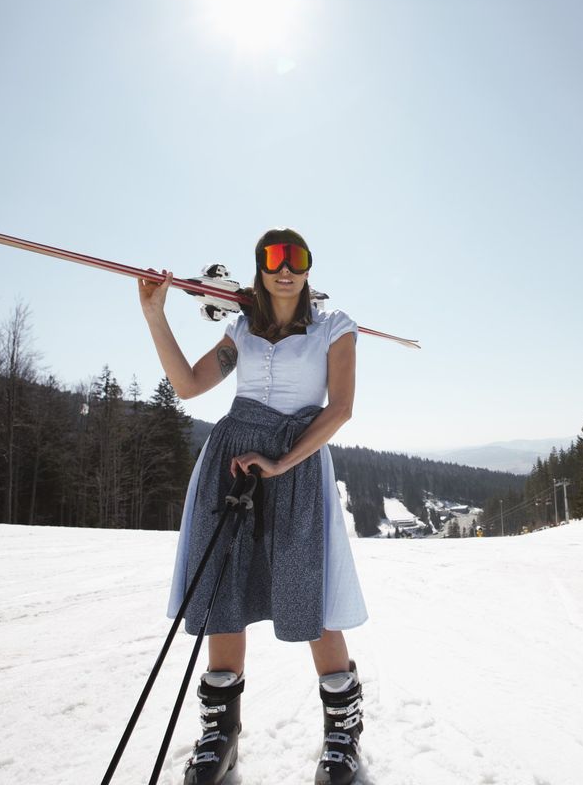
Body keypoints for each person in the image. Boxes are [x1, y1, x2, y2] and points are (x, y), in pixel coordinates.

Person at [138, 228, 368, 785]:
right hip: (233, 460)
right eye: (273, 258)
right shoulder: (241, 331)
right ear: (260, 269)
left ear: (310, 268)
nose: (284, 268)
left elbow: (339, 411)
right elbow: (189, 386)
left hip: (296, 464)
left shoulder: (336, 329)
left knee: (304, 592)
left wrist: (283, 462)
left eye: (296, 258)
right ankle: (221, 736)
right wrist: (155, 314)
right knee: (224, 590)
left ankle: (343, 739)